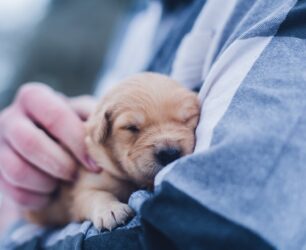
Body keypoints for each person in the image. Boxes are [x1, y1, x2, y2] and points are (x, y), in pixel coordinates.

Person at [1, 0, 306, 249]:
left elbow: (200, 230)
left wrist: (16, 237)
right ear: (101, 132)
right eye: (133, 129)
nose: (166, 144)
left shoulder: (280, 11)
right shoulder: (140, 16)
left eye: (187, 120)